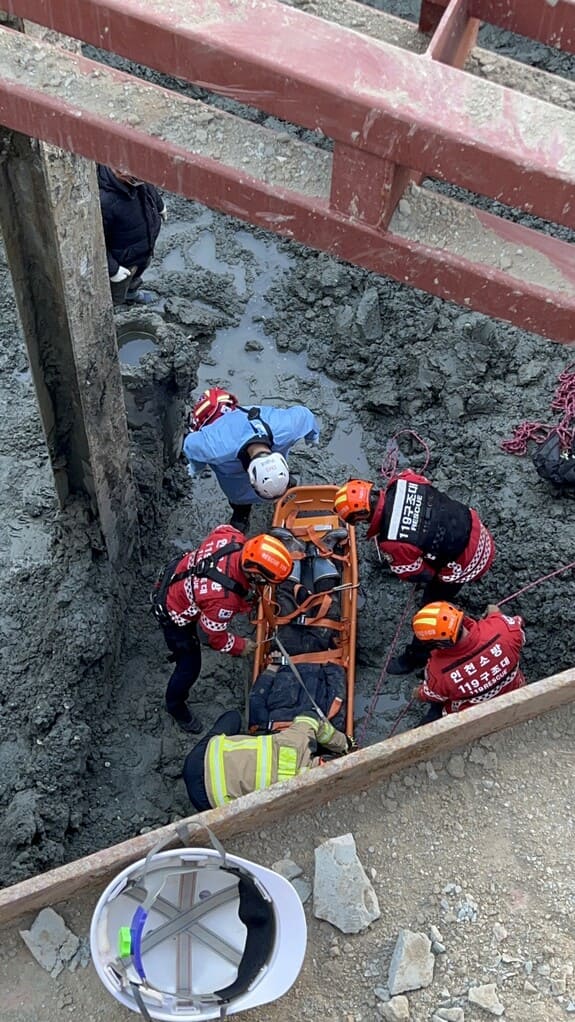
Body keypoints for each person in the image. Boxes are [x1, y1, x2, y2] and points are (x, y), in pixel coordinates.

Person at [333, 472, 495, 674]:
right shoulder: (402, 480)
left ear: (360, 516)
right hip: (477, 529)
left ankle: (415, 657)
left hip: (469, 562)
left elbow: (419, 573)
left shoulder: (392, 542)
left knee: (430, 615)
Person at [151, 527, 293, 733]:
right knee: (189, 666)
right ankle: (175, 706)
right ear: (253, 574)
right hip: (174, 612)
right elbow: (210, 636)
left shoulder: (232, 537)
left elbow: (219, 530)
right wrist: (240, 646)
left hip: (178, 573)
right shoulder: (222, 600)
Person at [182, 388, 320, 531]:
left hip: (251, 422)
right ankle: (241, 513)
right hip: (234, 480)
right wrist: (196, 467)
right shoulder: (215, 447)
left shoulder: (285, 429)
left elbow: (305, 415)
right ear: (251, 478)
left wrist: (312, 436)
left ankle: (285, 486)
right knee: (239, 500)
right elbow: (190, 446)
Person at [182, 709, 352, 811]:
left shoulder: (297, 741)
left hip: (201, 757)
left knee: (233, 717)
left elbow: (309, 717)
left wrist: (345, 743)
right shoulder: (298, 792)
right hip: (207, 799)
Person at [409, 601, 525, 721]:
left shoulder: (438, 673)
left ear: (437, 645)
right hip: (515, 694)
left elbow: (433, 695)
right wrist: (495, 614)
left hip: (473, 716)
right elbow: (518, 627)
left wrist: (419, 693)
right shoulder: (504, 630)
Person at [97, 164, 167, 305]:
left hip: (144, 248)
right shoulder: (105, 203)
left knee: (136, 275)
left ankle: (131, 294)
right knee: (119, 287)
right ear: (122, 173)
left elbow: (150, 191)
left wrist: (160, 206)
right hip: (123, 260)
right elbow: (97, 242)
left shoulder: (138, 177)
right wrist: (113, 269)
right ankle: (116, 304)